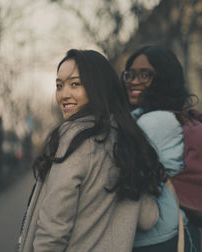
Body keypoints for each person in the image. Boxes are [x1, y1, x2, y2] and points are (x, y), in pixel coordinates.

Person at [17, 49, 165, 252]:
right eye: (59, 86)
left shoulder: (74, 139)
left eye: (75, 84)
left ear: (98, 88)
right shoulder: (126, 144)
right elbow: (148, 219)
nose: (64, 94)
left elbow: (53, 231)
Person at [122, 46, 201, 252]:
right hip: (170, 232)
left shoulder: (154, 122)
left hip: (162, 238)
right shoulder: (156, 116)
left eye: (145, 75)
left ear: (164, 79)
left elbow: (122, 173)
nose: (133, 81)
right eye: (129, 74)